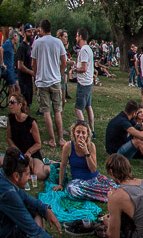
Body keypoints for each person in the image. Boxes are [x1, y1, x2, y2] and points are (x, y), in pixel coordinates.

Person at [0, 147, 62, 238]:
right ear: (16, 176)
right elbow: (33, 231)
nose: (29, 178)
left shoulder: (3, 175)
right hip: (4, 234)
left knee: (35, 210)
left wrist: (45, 209)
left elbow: (25, 198)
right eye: (28, 174)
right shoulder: (8, 193)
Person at [53, 120, 116, 202]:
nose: (80, 135)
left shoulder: (91, 146)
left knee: (114, 187)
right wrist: (60, 184)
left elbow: (93, 169)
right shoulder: (68, 146)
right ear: (74, 133)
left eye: (83, 133)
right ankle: (105, 196)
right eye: (78, 132)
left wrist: (86, 152)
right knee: (71, 189)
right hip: (79, 182)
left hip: (94, 179)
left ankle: (103, 195)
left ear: (87, 135)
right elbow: (63, 165)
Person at [31, 19, 67, 147]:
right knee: (57, 110)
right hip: (55, 80)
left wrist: (35, 78)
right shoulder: (58, 42)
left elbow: (33, 64)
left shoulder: (37, 43)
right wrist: (60, 74)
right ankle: (60, 138)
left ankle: (52, 139)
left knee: (46, 111)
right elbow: (64, 61)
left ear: (41, 28)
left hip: (42, 81)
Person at [5, 94, 50, 181]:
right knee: (13, 172)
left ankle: (50, 164)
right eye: (9, 102)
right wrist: (15, 149)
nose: (9, 104)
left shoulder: (30, 122)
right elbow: (9, 138)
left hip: (31, 152)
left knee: (40, 175)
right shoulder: (10, 119)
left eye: (12, 102)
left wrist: (29, 153)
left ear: (20, 105)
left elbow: (38, 144)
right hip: (17, 152)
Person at [73, 28, 96, 138]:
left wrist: (74, 69)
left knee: (78, 108)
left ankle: (85, 132)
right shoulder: (89, 49)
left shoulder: (83, 50)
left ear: (80, 37)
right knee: (88, 106)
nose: (76, 38)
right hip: (89, 82)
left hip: (84, 83)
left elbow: (84, 68)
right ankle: (92, 130)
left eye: (77, 36)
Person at [16, 24, 35, 106]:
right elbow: (20, 65)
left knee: (29, 100)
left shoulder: (29, 46)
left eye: (32, 31)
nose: (31, 34)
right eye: (29, 32)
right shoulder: (22, 47)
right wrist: (31, 72)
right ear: (24, 33)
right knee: (25, 101)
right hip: (23, 79)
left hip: (29, 78)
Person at [1, 29, 20, 96]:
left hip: (11, 68)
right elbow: (1, 49)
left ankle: (16, 102)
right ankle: (12, 103)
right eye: (17, 36)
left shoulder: (12, 44)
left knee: (17, 87)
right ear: (14, 36)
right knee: (12, 88)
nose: (18, 38)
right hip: (8, 69)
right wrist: (2, 63)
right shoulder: (8, 43)